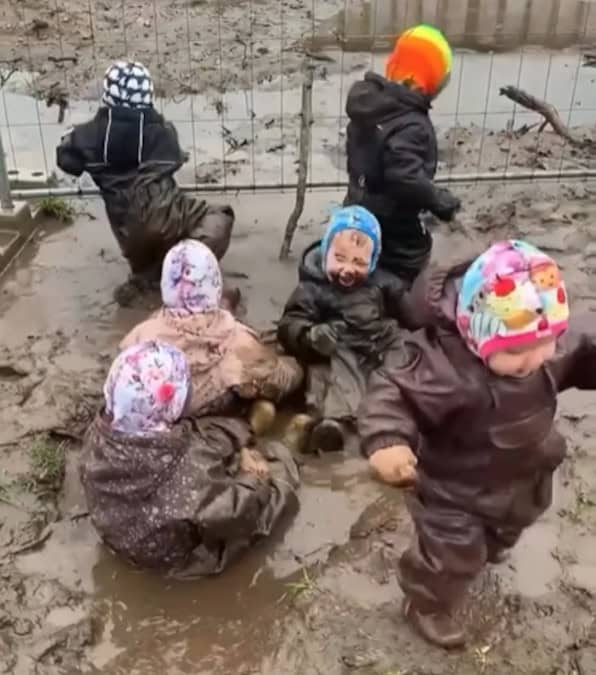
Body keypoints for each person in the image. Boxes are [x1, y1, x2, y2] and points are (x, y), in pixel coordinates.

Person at [358, 239, 596, 649]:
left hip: (523, 476)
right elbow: (393, 391)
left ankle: (491, 544)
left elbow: (584, 343)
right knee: (449, 554)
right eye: (517, 351)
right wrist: (388, 441)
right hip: (454, 489)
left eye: (547, 342)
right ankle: (426, 603)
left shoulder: (542, 343)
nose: (535, 358)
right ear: (477, 333)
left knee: (508, 528)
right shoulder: (442, 367)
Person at [80, 340, 299, 575]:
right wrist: (253, 479)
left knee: (201, 434)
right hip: (179, 558)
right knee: (274, 483)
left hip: (121, 531)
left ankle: (245, 429)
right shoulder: (188, 470)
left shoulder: (97, 433)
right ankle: (288, 446)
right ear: (175, 401)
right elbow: (235, 513)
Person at [56, 61, 234, 304]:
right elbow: (176, 158)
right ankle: (183, 270)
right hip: (167, 217)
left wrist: (74, 140)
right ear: (148, 95)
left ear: (107, 94)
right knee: (220, 216)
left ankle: (146, 275)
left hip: (128, 233)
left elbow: (67, 161)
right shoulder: (162, 132)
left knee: (144, 245)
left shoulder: (87, 136)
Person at [121, 239, 303, 435]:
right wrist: (296, 367)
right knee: (279, 372)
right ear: (215, 285)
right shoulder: (237, 338)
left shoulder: (141, 333)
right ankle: (250, 417)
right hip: (213, 408)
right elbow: (277, 378)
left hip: (160, 411)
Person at [277, 205, 405, 454]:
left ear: (372, 262)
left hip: (375, 343)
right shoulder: (313, 288)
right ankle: (334, 425)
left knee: (405, 352)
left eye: (359, 262)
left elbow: (407, 306)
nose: (347, 269)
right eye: (340, 258)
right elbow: (290, 323)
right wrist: (309, 335)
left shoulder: (381, 283)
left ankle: (404, 409)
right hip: (336, 347)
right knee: (333, 376)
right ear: (326, 253)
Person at [344, 24, 461, 283]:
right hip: (395, 224)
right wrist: (438, 199)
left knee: (358, 256)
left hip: (357, 205)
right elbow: (404, 177)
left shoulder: (369, 104)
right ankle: (399, 301)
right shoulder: (411, 123)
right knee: (408, 266)